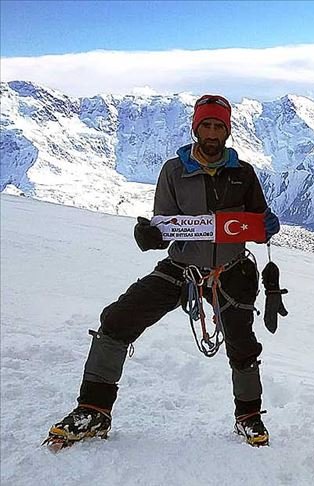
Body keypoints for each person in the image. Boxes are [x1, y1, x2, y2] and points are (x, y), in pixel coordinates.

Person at [46, 95, 281, 448]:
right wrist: (150, 236)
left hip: (232, 270)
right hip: (183, 268)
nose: (213, 133)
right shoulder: (174, 171)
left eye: (219, 126)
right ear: (196, 127)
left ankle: (248, 415)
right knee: (118, 319)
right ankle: (93, 409)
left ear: (228, 131)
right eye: (207, 125)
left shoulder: (243, 173)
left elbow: (258, 222)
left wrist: (267, 225)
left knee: (242, 344)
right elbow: (165, 225)